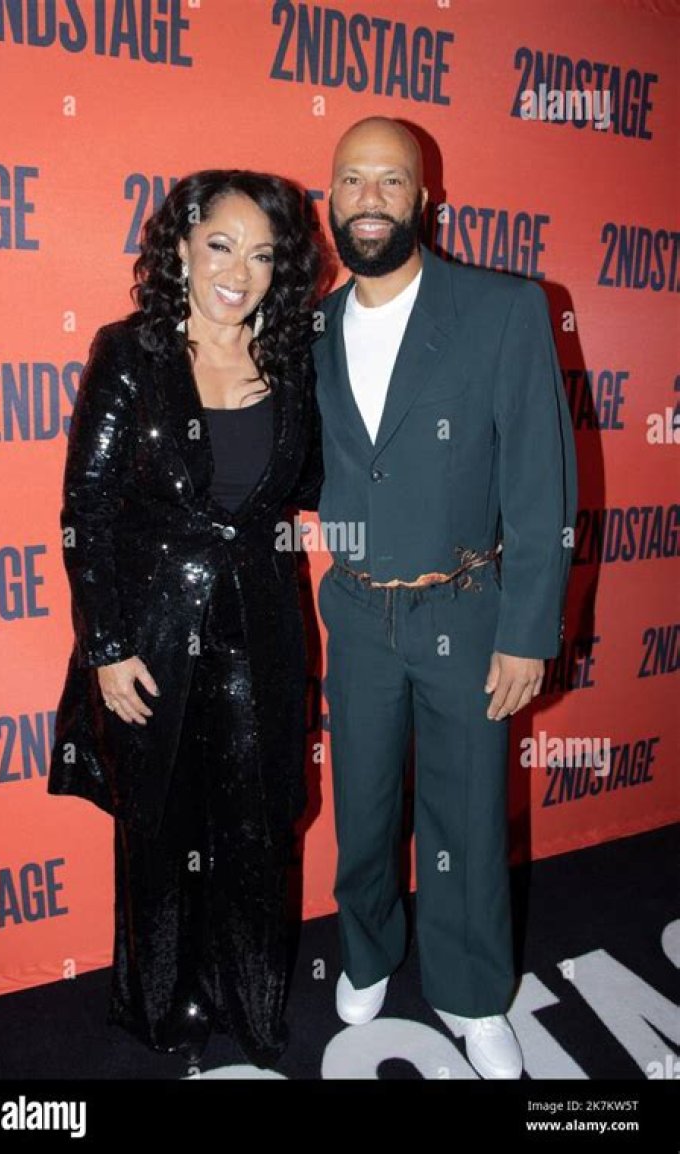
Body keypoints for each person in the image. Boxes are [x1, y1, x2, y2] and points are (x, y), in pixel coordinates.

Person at [313, 118, 577, 1079]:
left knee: (466, 815)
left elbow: (542, 481)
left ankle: (472, 992)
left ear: (424, 199)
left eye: (391, 180)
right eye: (352, 180)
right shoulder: (311, 327)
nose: (369, 198)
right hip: (356, 610)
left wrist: (527, 629)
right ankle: (368, 951)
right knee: (363, 806)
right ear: (331, 199)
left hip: (465, 609)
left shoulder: (503, 308)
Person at [48, 170, 323, 1068]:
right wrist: (107, 645)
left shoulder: (294, 365)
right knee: (160, 823)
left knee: (255, 828)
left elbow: (321, 481)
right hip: (156, 635)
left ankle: (250, 1002)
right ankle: (163, 1003)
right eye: (220, 246)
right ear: (182, 249)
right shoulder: (132, 353)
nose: (239, 272)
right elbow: (87, 507)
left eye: (262, 256)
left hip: (262, 630)